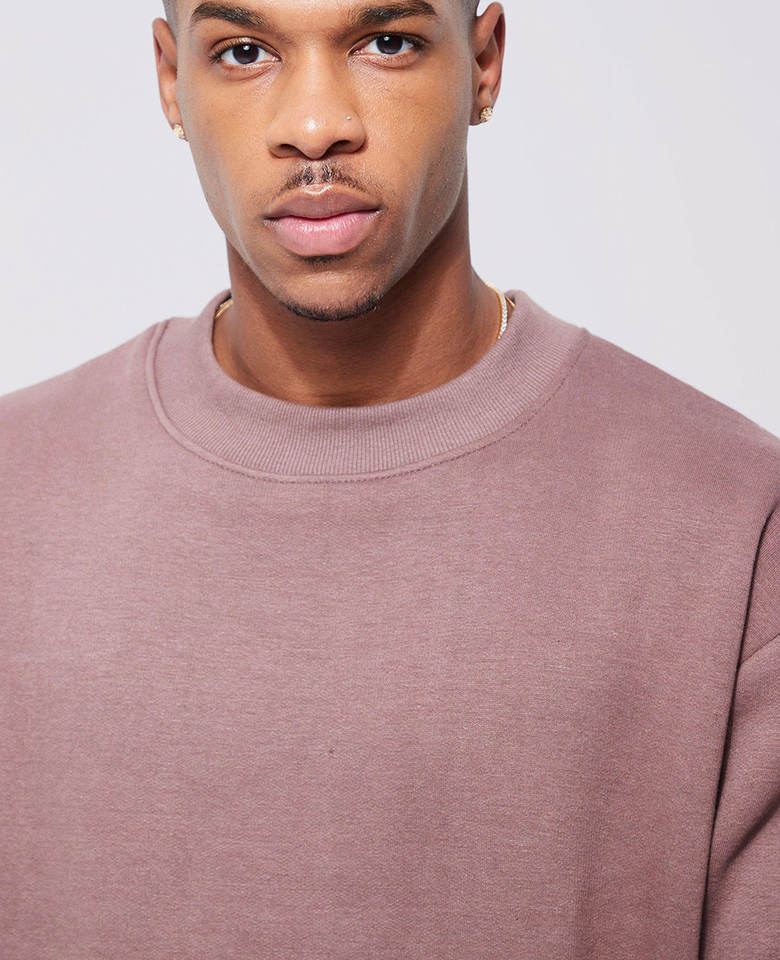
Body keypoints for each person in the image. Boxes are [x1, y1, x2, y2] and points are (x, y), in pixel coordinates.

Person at [0, 2, 776, 957]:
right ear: (171, 79)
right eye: (243, 52)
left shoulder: (733, 524)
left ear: (483, 62)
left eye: (387, 42)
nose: (315, 125)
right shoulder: (16, 499)